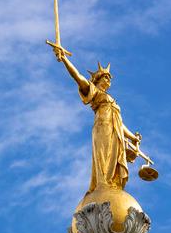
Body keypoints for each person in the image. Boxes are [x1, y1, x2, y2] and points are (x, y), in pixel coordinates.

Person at [52, 47, 142, 192]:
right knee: (103, 156)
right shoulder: (95, 91)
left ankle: (111, 183)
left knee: (113, 157)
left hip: (115, 130)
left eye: (109, 77)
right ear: (98, 79)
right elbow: (78, 77)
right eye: (106, 77)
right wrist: (64, 59)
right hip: (103, 127)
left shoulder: (112, 101)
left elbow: (120, 124)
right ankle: (103, 184)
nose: (108, 79)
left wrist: (133, 138)